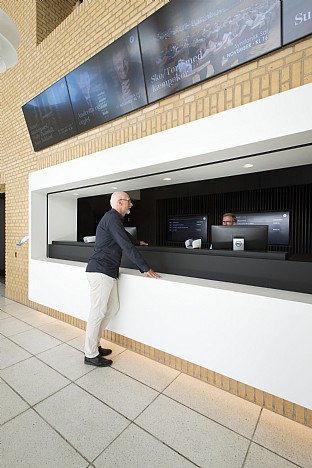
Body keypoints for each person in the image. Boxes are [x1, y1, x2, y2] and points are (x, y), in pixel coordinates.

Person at [84, 191, 160, 367]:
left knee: (112, 308)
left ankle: (95, 344)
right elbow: (124, 245)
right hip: (100, 271)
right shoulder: (112, 218)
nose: (131, 205)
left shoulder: (114, 219)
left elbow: (125, 238)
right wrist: (145, 268)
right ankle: (90, 353)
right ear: (120, 202)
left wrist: (137, 242)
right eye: (129, 202)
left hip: (108, 272)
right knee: (97, 312)